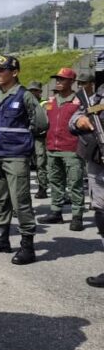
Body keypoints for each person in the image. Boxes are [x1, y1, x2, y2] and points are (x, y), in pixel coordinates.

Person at [0, 55, 48, 265]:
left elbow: (42, 123)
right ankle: (2, 238)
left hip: (16, 155)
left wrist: (23, 138)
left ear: (14, 72)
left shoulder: (25, 96)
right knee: (1, 199)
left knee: (21, 202)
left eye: (1, 70)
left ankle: (28, 246)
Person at [39, 68, 86, 231]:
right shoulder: (51, 101)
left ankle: (77, 215)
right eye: (57, 79)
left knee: (75, 183)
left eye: (62, 79)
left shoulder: (80, 101)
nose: (58, 81)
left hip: (72, 148)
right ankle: (56, 212)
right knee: (55, 181)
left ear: (71, 82)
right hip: (52, 147)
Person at [70, 84, 104, 287]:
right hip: (98, 163)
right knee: (102, 215)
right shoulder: (97, 95)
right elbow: (74, 119)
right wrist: (80, 121)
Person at [27, 81, 49, 199]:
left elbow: (48, 120)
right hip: (28, 137)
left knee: (41, 164)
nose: (31, 93)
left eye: (34, 90)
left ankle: (42, 188)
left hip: (40, 138)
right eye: (30, 90)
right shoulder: (27, 103)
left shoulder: (46, 104)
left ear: (39, 92)